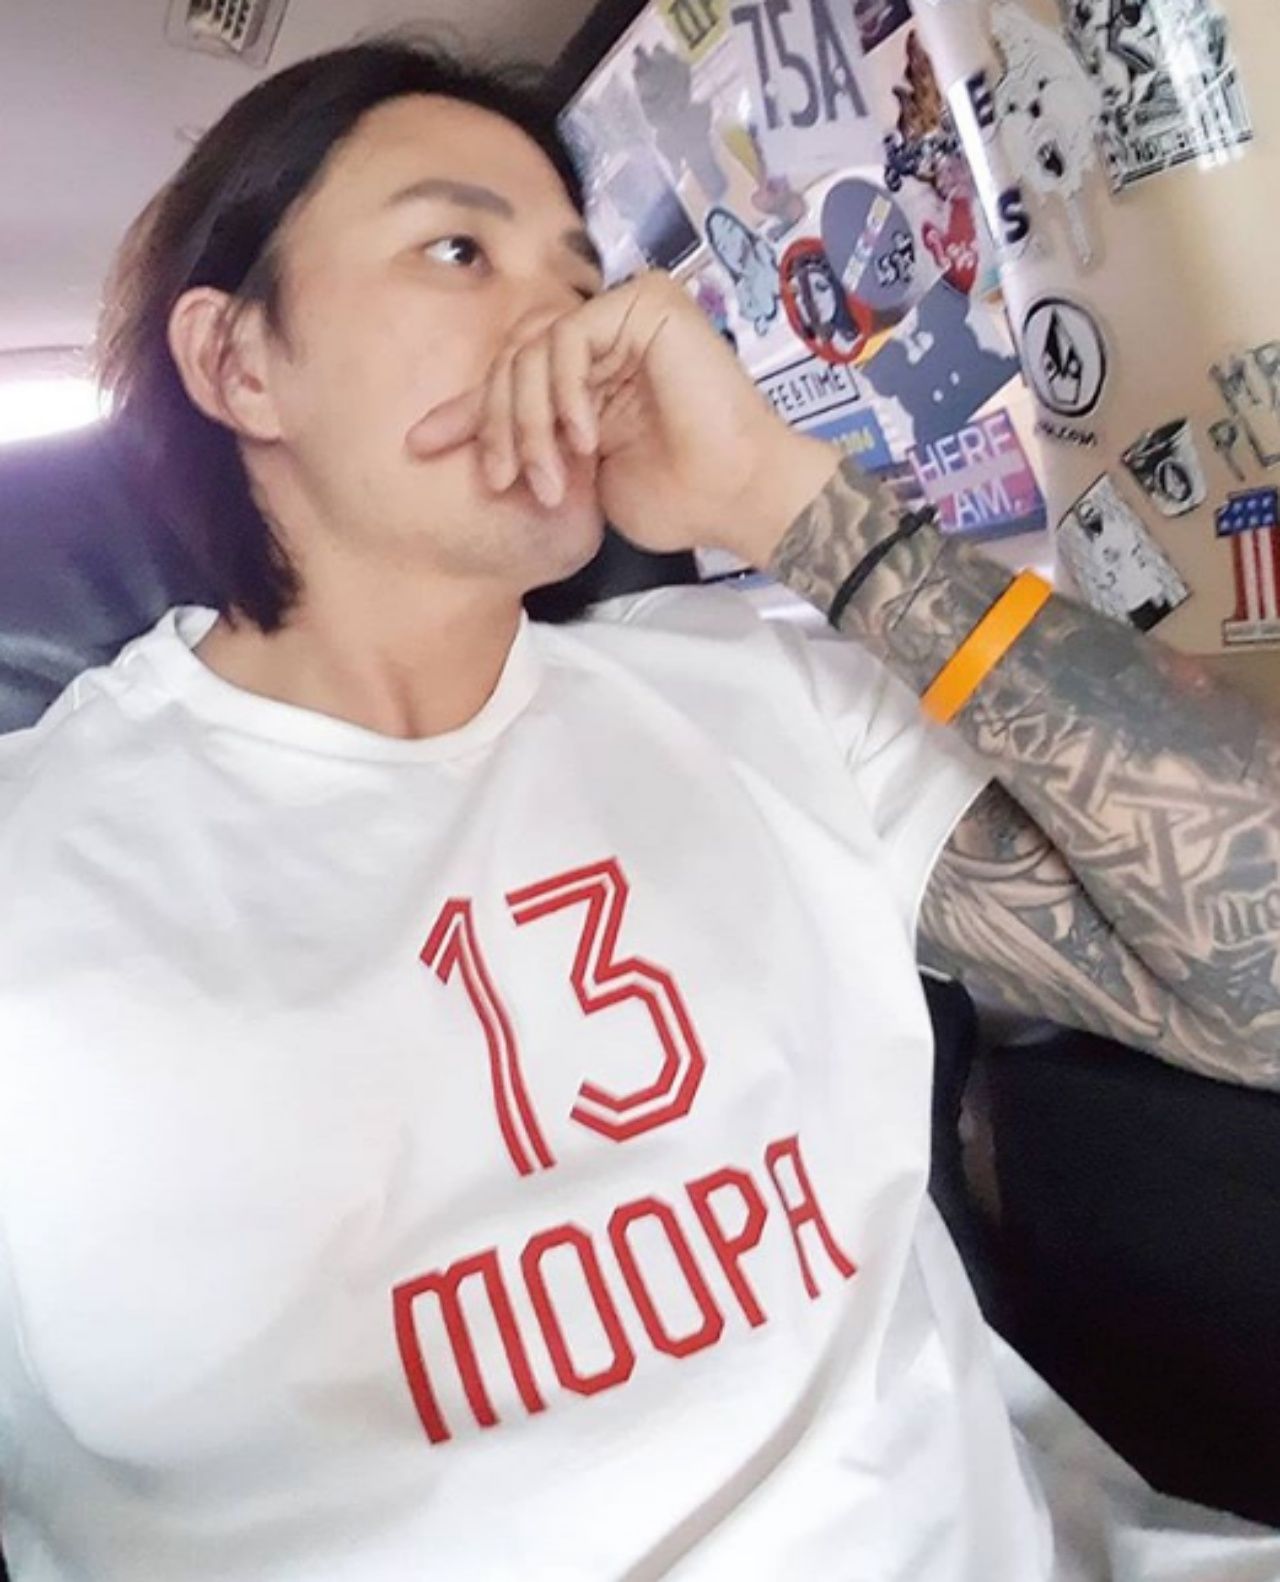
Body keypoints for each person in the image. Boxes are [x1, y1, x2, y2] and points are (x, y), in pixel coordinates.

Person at [0, 32, 1277, 1582]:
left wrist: (786, 503)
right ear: (238, 363)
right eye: (457, 250)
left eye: (582, 271)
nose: (566, 321)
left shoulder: (747, 684)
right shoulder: (37, 866)